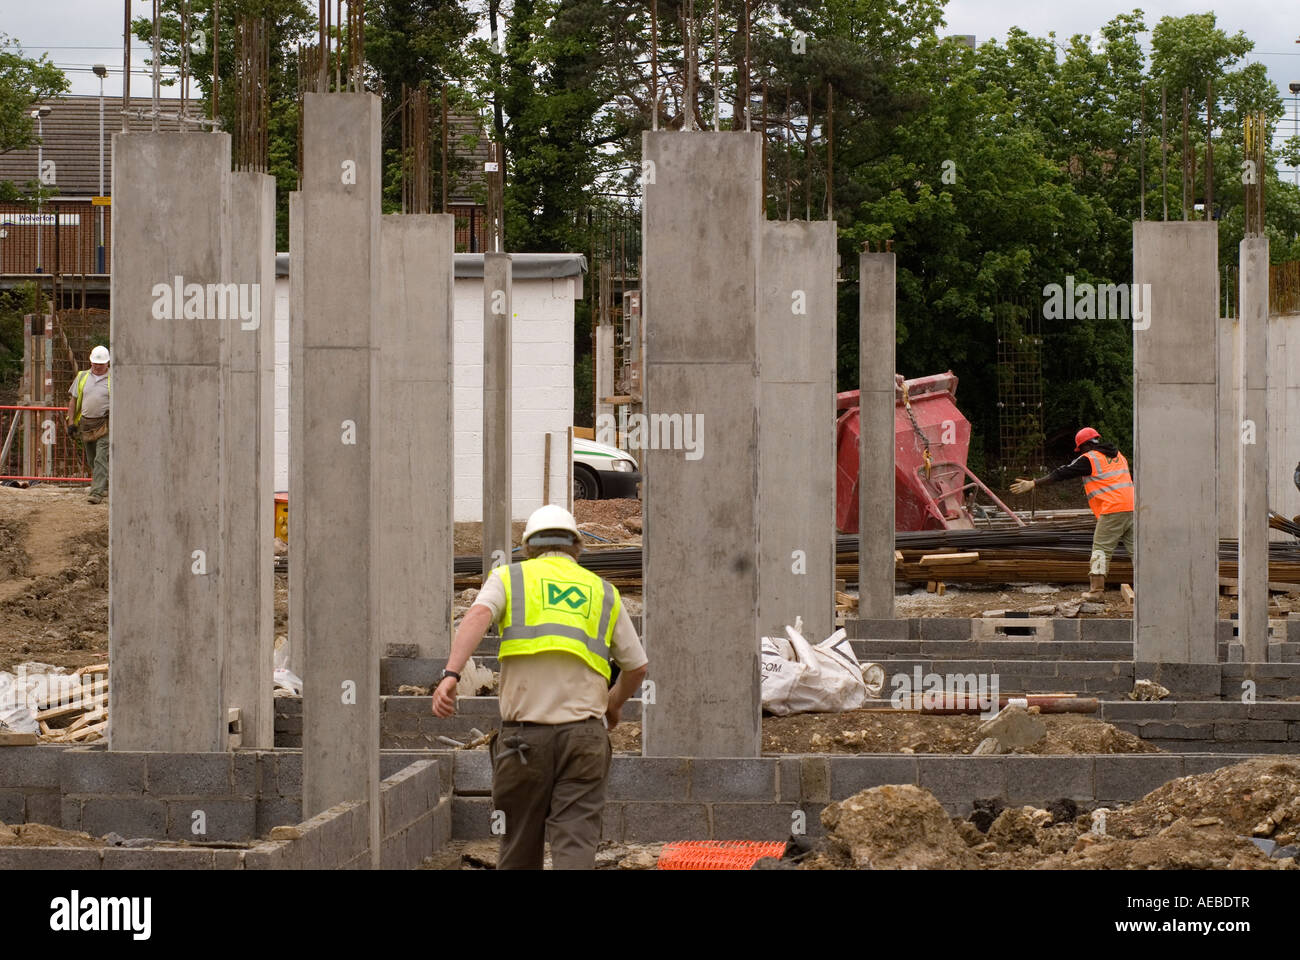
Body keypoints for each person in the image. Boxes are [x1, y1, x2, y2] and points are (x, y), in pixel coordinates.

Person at [432, 504, 648, 869]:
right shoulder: (603, 591)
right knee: (576, 840)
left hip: (523, 742)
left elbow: (479, 614)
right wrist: (613, 703)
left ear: (528, 546)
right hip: (585, 739)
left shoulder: (509, 578)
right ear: (577, 547)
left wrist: (451, 675)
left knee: (518, 842)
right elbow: (637, 667)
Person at [1010, 427, 1134, 600]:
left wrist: (1034, 483)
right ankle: (1151, 587)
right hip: (1132, 508)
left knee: (1101, 550)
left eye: (1080, 449)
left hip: (1113, 510)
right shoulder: (1118, 455)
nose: (1080, 452)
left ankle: (1096, 592)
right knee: (1137, 551)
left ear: (1085, 445)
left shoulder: (1090, 459)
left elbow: (1062, 472)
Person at [68, 345, 111, 505]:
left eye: (101, 364)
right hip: (86, 424)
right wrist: (71, 423)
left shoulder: (113, 378)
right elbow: (73, 400)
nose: (98, 366)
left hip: (105, 424)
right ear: (91, 361)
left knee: (101, 458)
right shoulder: (82, 377)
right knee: (92, 459)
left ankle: (97, 493)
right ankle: (105, 485)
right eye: (95, 363)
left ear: (107, 363)